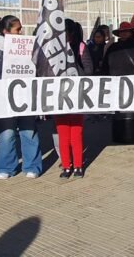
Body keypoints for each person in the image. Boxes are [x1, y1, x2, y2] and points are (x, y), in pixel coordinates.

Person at [0, 15, 42, 179]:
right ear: (5, 31)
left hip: (25, 94)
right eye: (17, 29)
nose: (21, 31)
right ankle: (6, 168)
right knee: (7, 133)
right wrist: (4, 84)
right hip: (4, 96)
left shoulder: (27, 46)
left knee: (28, 130)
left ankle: (32, 166)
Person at [55, 19, 92, 179]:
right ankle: (66, 166)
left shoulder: (81, 47)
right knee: (63, 135)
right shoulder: (53, 49)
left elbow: (89, 70)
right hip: (57, 97)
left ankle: (78, 165)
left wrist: (73, 67)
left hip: (77, 96)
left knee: (76, 134)